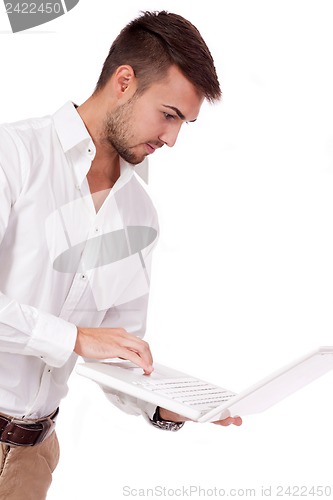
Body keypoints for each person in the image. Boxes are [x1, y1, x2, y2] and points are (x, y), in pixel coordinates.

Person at [0, 10, 241, 500]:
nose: (172, 139)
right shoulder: (14, 155)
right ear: (125, 81)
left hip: (33, 457)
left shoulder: (140, 214)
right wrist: (73, 337)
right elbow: (84, 340)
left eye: (184, 124)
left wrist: (164, 404)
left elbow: (116, 347)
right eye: (169, 115)